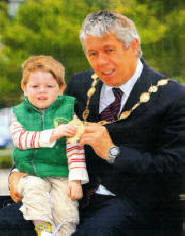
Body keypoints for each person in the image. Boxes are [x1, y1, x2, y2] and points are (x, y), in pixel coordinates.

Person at [1, 9, 185, 236]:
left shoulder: (174, 96)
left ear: (134, 46)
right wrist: (18, 172)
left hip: (136, 203)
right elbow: (46, 131)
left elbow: (176, 173)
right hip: (67, 192)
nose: (101, 62)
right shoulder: (80, 83)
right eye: (93, 53)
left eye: (109, 50)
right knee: (5, 223)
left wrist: (112, 151)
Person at [8, 55, 88, 236]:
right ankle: (44, 231)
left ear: (61, 89)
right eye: (35, 86)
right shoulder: (19, 113)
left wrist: (76, 180)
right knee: (34, 189)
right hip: (30, 172)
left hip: (61, 173)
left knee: (65, 208)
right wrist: (53, 134)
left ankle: (64, 233)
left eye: (49, 86)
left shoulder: (68, 112)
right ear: (24, 88)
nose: (41, 91)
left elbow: (75, 148)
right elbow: (21, 140)